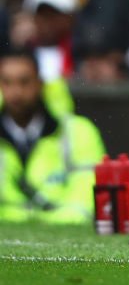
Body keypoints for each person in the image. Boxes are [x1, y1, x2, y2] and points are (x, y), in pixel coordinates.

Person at [0, 50, 105, 224]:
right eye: (7, 82)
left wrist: (48, 219)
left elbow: (86, 195)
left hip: (65, 225)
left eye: (24, 82)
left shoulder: (78, 131)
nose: (16, 91)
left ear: (40, 83)